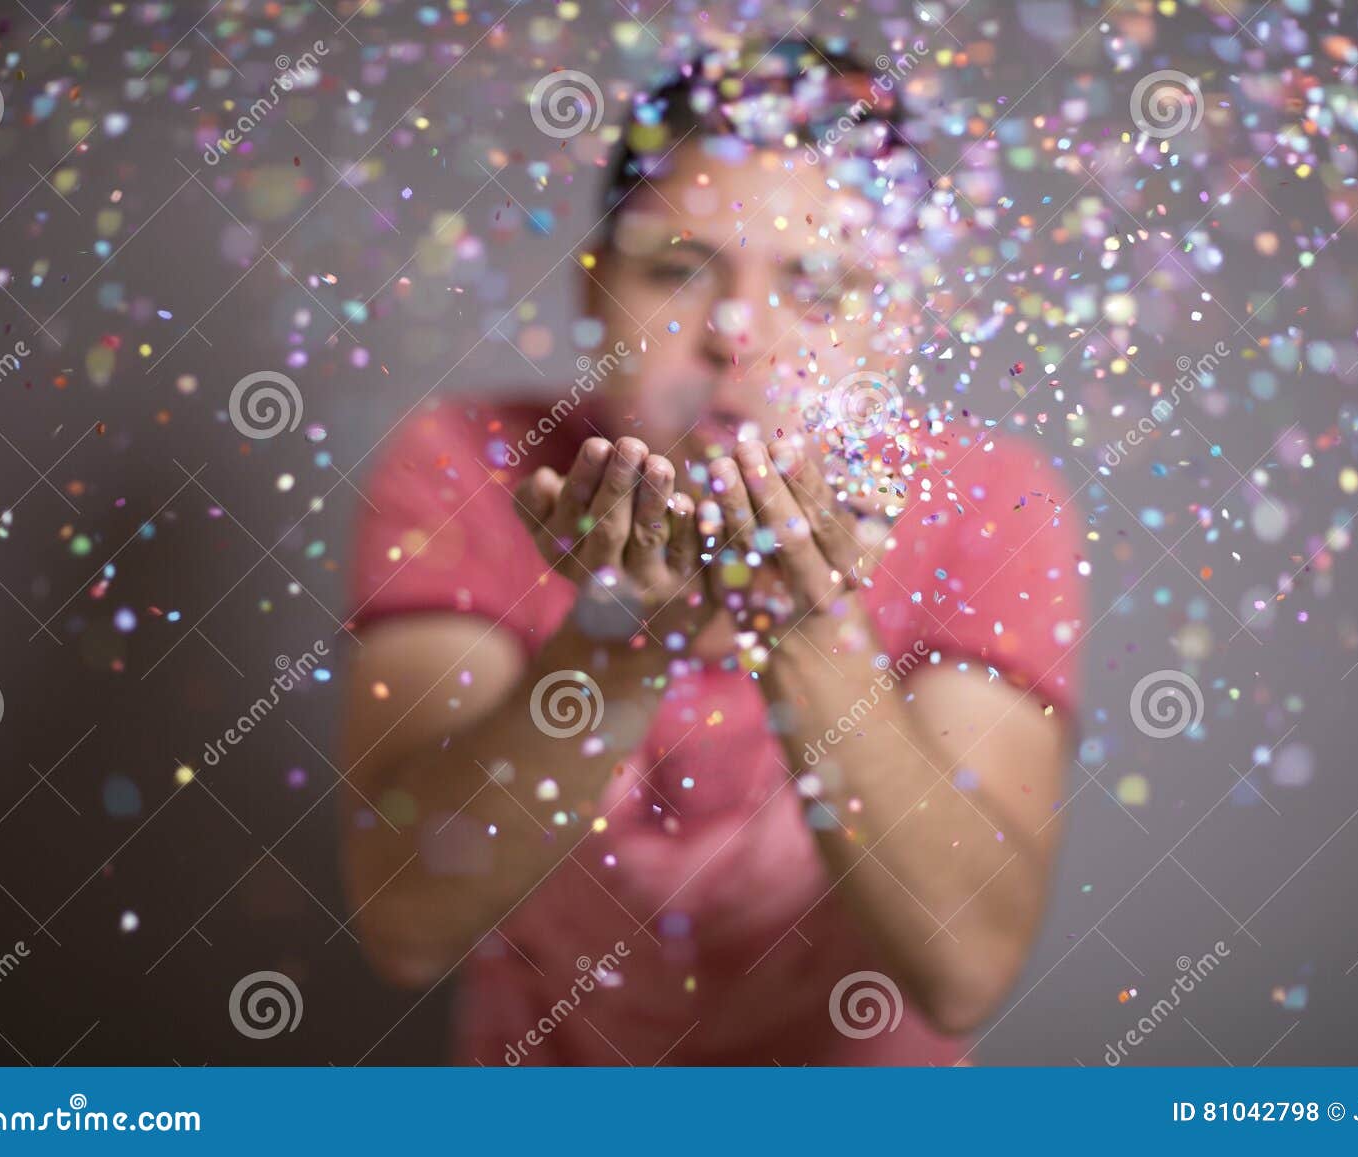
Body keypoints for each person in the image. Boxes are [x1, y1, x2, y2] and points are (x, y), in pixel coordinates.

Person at [341, 37, 1084, 1065]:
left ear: (896, 324)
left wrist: (804, 625)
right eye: (679, 269)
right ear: (594, 289)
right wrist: (620, 640)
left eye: (815, 286)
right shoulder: (470, 461)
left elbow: (966, 967)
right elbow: (404, 920)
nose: (738, 332)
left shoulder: (988, 503)